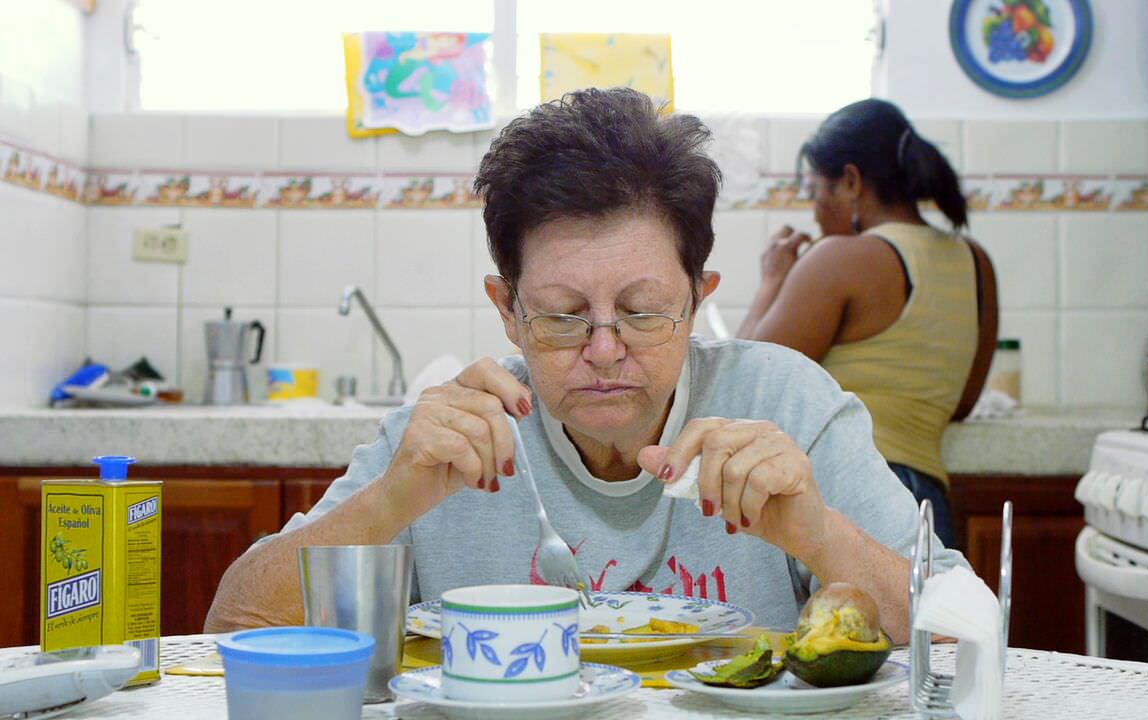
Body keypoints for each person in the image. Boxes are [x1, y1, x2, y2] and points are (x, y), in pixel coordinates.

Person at [205, 89, 964, 640]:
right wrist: (389, 504)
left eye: (641, 309)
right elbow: (233, 625)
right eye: (564, 315)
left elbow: (968, 638)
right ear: (508, 311)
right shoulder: (450, 435)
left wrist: (817, 534)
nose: (604, 350)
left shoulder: (785, 402)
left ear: (698, 300)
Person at [738, 99, 997, 549]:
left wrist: (772, 281)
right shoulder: (976, 262)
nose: (816, 213)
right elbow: (962, 403)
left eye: (817, 191)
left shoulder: (842, 257)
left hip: (848, 495)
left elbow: (746, 387)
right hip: (926, 506)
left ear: (852, 181)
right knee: (917, 621)